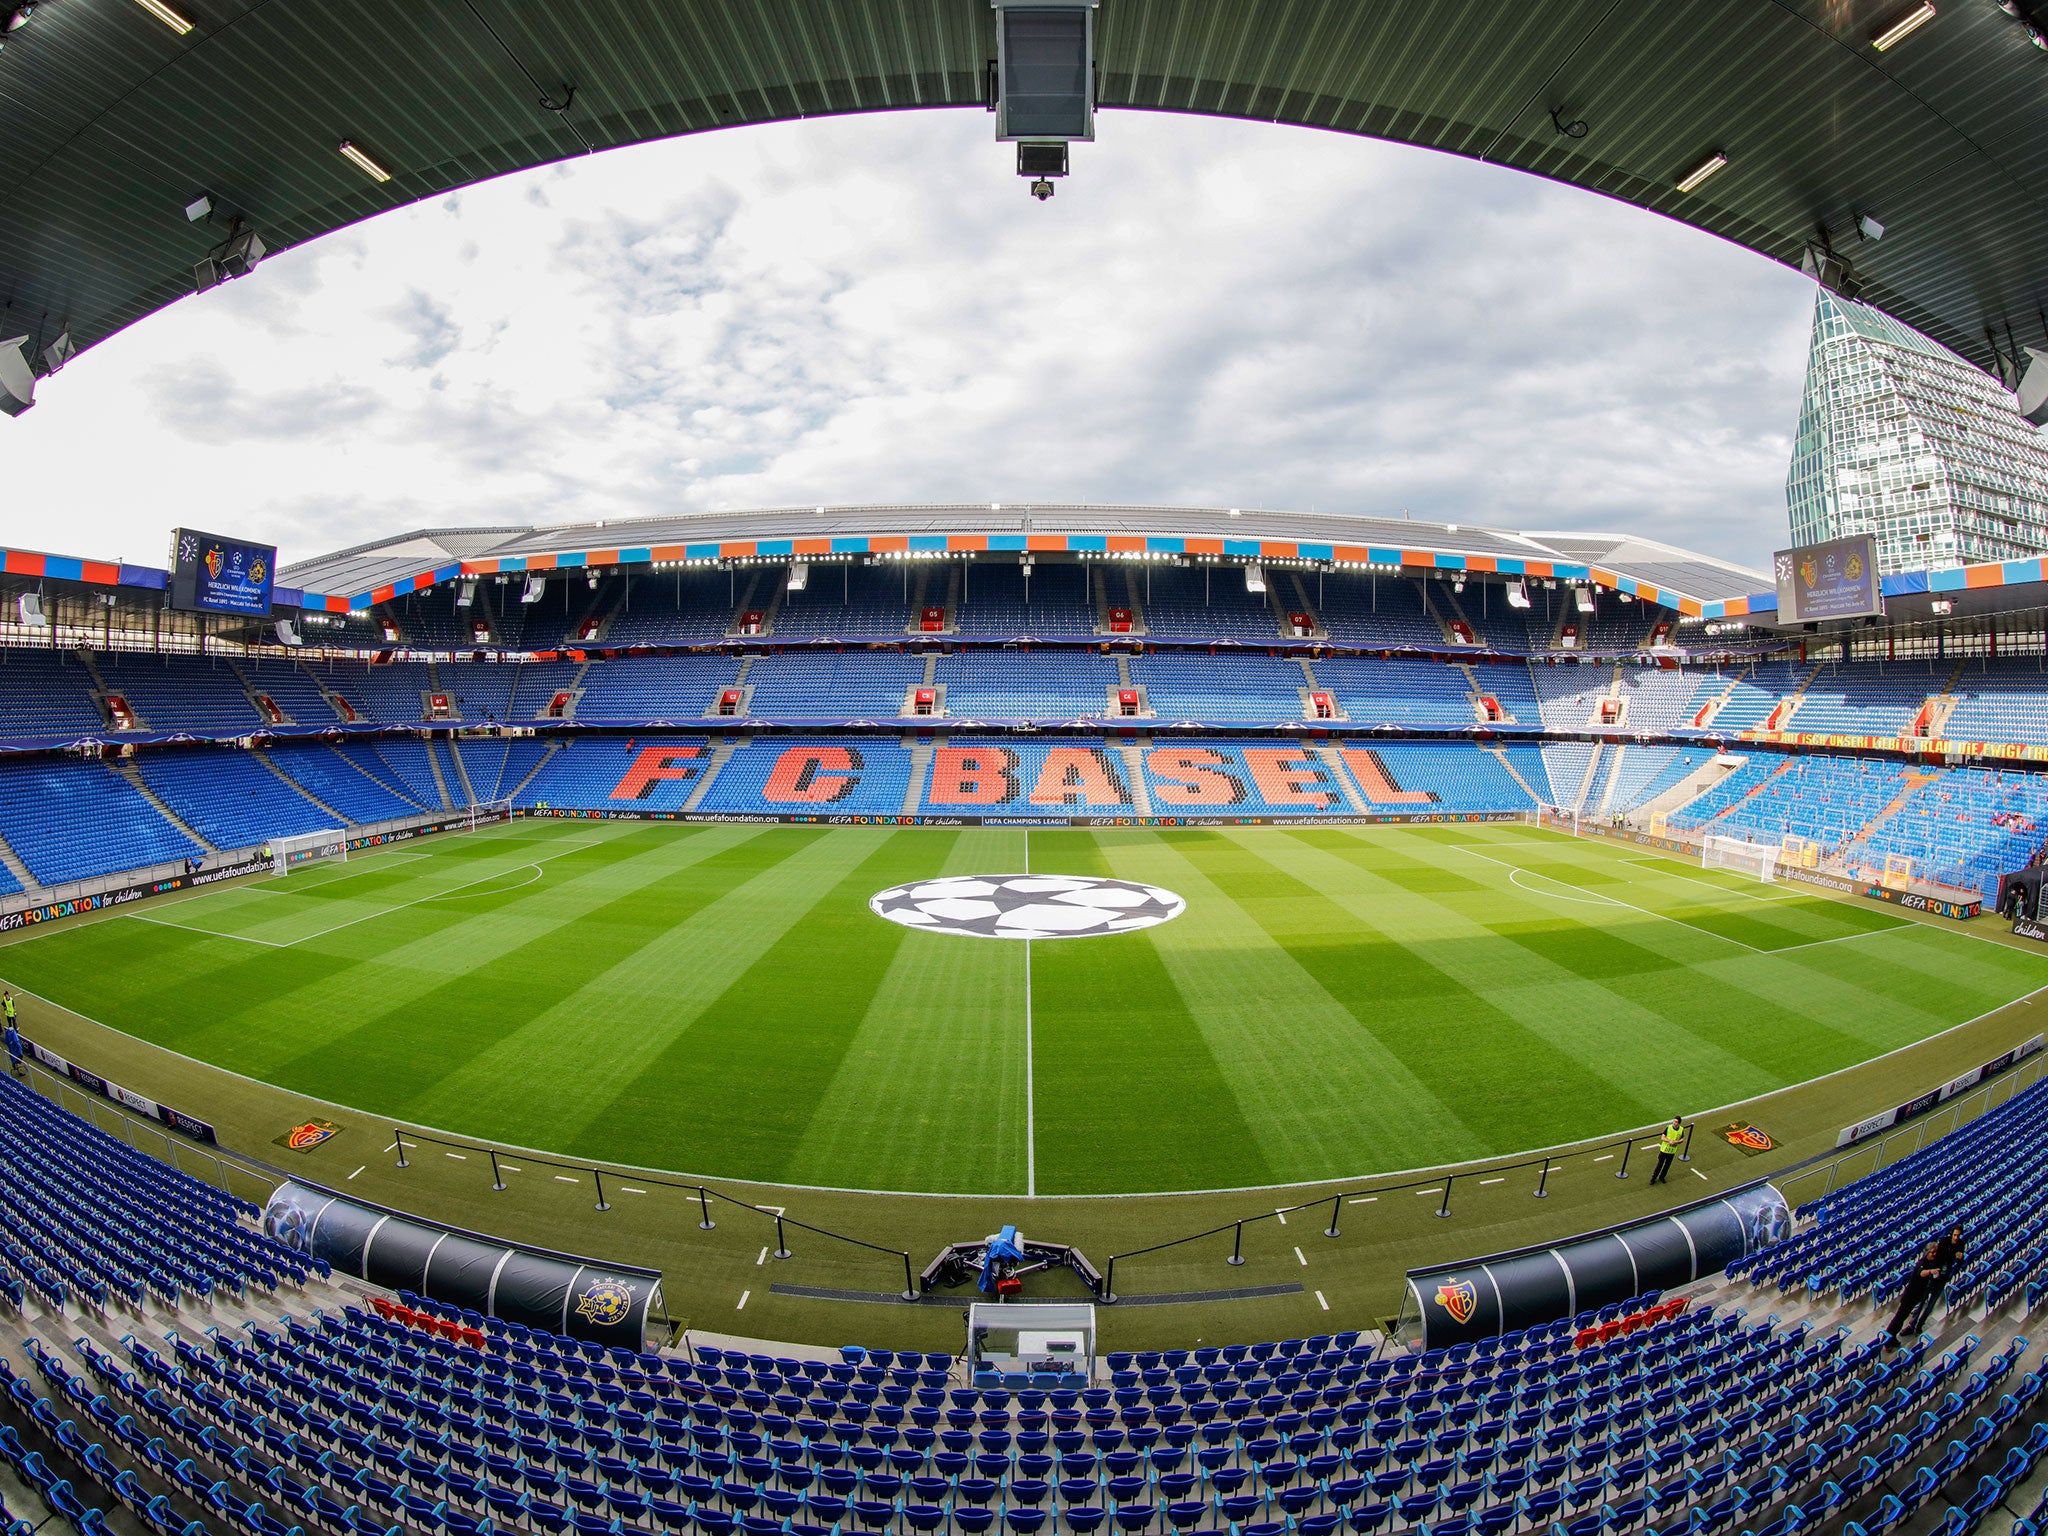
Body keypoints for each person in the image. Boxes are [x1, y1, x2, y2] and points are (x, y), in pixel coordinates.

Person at [1885, 1225, 1966, 1347]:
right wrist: (1931, 1271)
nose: (1934, 1254)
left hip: (1929, 1285)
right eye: (1932, 1252)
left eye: (1958, 1235)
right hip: (1913, 1293)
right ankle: (1894, 1336)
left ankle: (1908, 1330)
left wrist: (1960, 1258)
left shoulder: (1958, 1246)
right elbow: (1921, 1272)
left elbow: (1958, 1263)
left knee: (1918, 1309)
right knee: (1901, 1316)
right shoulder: (1925, 1262)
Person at [1648, 1116, 1686, 1184]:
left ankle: (1662, 1177)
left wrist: (1676, 1142)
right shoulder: (1668, 1127)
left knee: (1667, 1165)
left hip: (1672, 1151)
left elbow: (1682, 1139)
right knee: (1659, 1165)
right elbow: (1662, 1137)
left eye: (1676, 1122)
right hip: (1664, 1150)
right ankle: (1653, 1178)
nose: (1674, 1123)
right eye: (1674, 1121)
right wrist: (1669, 1141)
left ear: (1679, 1123)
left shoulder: (1681, 1129)